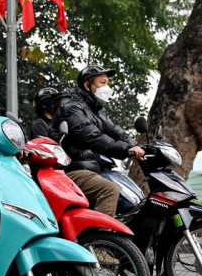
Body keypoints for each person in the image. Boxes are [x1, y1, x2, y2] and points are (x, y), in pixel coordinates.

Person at [51, 65, 145, 217]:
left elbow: (114, 130)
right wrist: (126, 150)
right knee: (109, 189)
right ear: (88, 85)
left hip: (89, 169)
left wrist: (136, 144)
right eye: (102, 82)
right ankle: (100, 239)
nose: (107, 87)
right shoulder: (70, 105)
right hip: (70, 170)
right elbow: (92, 137)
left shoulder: (95, 108)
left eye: (107, 83)